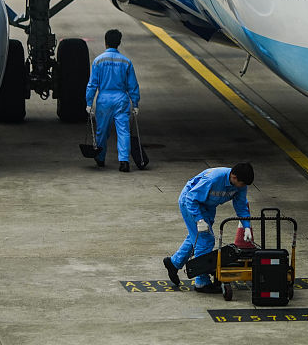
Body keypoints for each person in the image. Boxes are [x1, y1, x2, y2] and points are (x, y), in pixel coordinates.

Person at [162, 163, 255, 293]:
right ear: (234, 177)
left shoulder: (241, 185)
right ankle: (201, 282)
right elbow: (191, 199)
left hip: (208, 206)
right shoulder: (214, 179)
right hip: (190, 203)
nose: (243, 187)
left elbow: (241, 206)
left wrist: (246, 227)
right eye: (242, 184)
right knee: (205, 240)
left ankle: (174, 263)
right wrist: (199, 219)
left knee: (197, 236)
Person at [85, 29, 140, 172]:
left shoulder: (98, 61)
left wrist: (89, 102)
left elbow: (92, 84)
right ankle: (124, 161)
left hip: (104, 100)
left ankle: (100, 158)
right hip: (121, 99)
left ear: (105, 42)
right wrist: (135, 103)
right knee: (123, 131)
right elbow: (132, 85)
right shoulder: (126, 62)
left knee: (102, 131)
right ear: (119, 43)